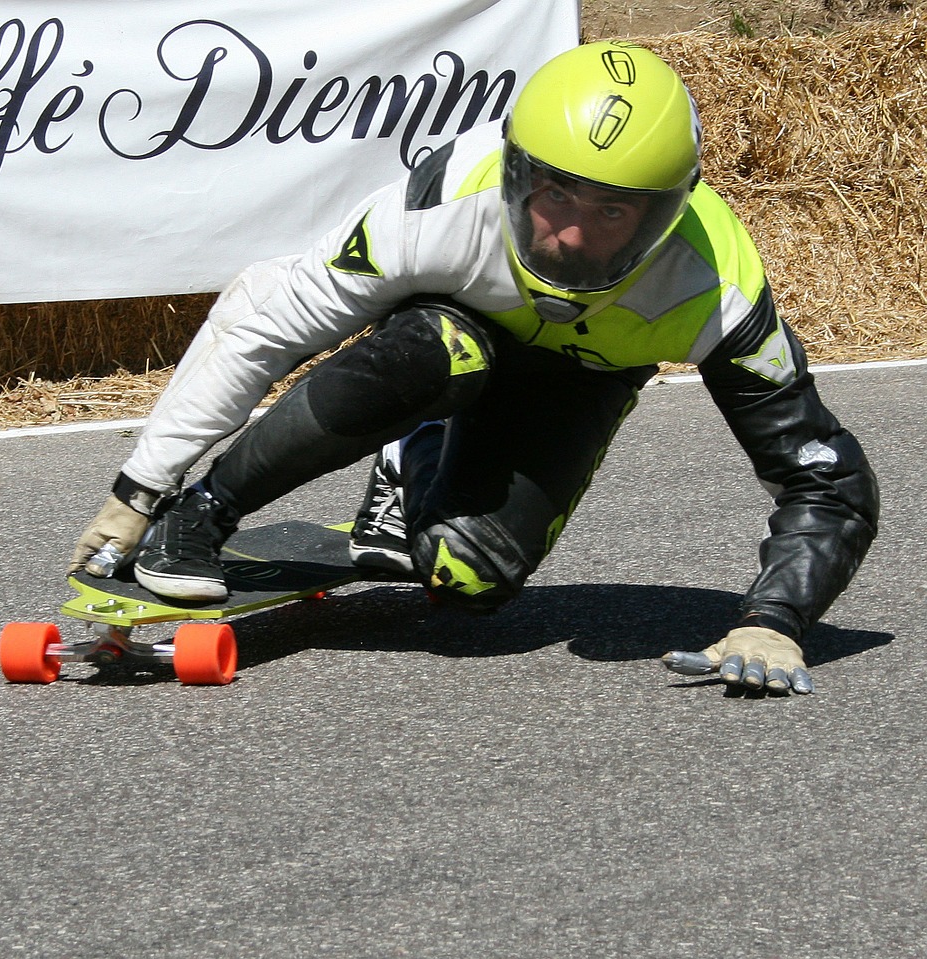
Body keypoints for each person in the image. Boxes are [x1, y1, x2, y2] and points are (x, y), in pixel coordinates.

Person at [69, 40, 879, 695]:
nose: (569, 236)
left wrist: (777, 616)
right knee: (441, 346)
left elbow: (826, 477)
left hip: (577, 378)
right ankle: (206, 515)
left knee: (471, 583)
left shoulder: (715, 287)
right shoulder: (445, 199)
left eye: (612, 212)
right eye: (554, 194)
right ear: (516, 171)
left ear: (668, 211)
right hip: (443, 342)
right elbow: (262, 321)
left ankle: (408, 471)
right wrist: (145, 489)